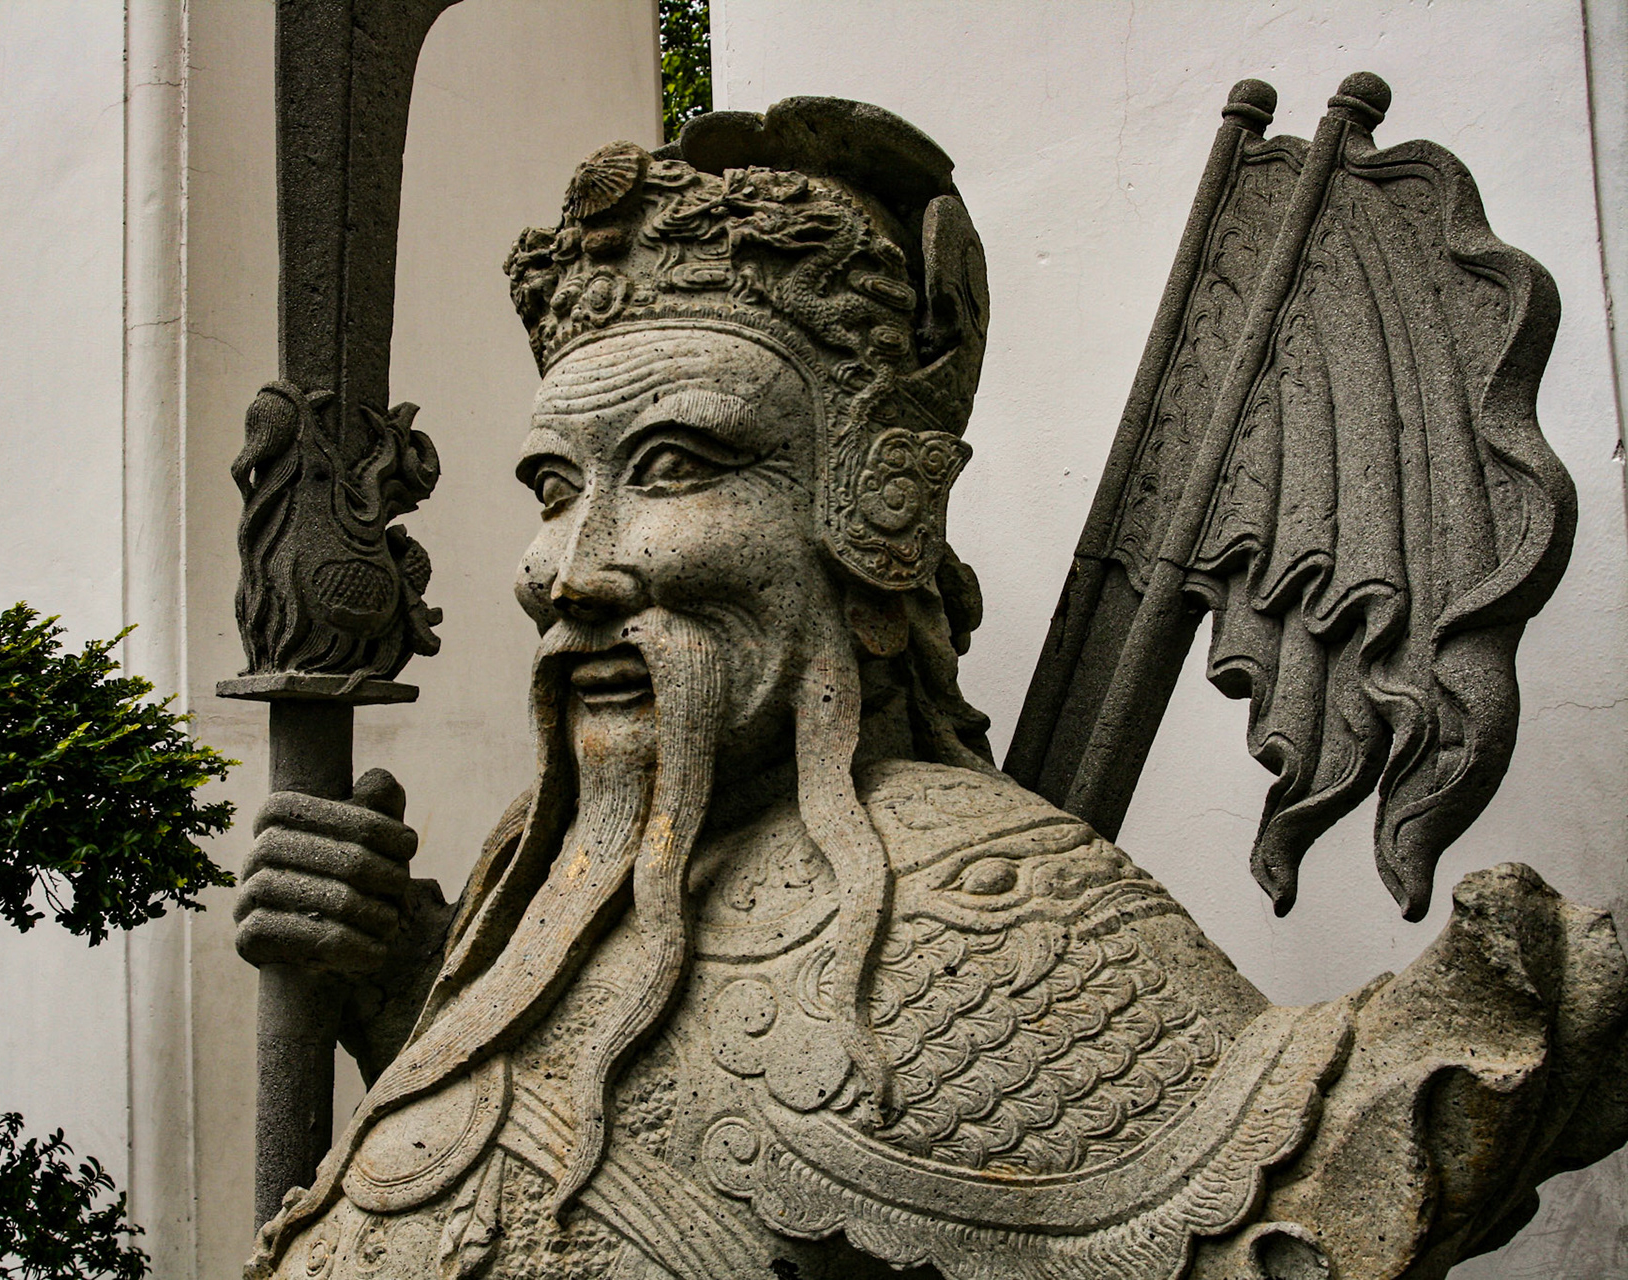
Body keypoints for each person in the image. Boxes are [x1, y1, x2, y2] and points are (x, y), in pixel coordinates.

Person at [235, 98, 1628, 1280]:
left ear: (874, 504)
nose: (567, 569)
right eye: (556, 489)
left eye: (674, 467)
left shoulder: (974, 903)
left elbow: (1296, 1176)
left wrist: (1536, 1009)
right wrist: (406, 985)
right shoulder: (546, 888)